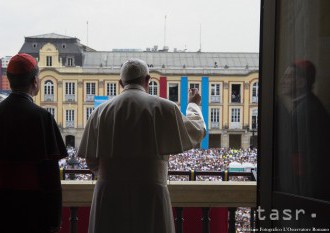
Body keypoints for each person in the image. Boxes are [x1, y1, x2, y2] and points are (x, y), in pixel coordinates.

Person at [78, 58, 206, 233]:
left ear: (120, 83)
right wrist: (193, 104)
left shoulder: (99, 112)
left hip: (109, 194)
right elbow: (197, 130)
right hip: (151, 193)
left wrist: (115, 174)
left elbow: (91, 160)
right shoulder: (165, 107)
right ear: (147, 80)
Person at [0, 53, 68, 233]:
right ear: (35, 82)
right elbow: (51, 177)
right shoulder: (42, 117)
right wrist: (54, 220)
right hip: (33, 209)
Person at [275, 60, 330, 201]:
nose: (282, 81)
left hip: (306, 193)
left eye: (288, 77)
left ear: (301, 83)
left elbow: (302, 157)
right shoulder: (307, 106)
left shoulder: (306, 111)